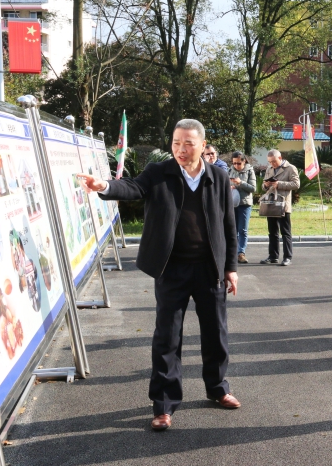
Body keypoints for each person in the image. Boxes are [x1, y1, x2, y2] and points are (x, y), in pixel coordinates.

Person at [78, 119, 240, 432]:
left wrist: (230, 268)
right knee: (167, 337)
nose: (181, 149)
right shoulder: (159, 172)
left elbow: (229, 227)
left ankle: (219, 389)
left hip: (209, 269)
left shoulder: (218, 177)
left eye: (188, 143)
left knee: (216, 333)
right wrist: (104, 186)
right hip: (172, 269)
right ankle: (164, 406)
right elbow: (132, 187)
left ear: (202, 145)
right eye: (176, 142)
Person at [260, 149, 300, 266]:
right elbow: (263, 186)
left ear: (280, 158)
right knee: (272, 232)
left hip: (283, 204)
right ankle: (273, 256)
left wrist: (279, 184)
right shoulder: (269, 169)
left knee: (285, 232)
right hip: (271, 203)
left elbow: (296, 184)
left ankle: (287, 257)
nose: (272, 164)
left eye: (274, 161)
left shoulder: (290, 168)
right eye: (270, 162)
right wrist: (265, 185)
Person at [229, 152, 256, 264]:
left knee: (243, 230)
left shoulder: (250, 171)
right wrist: (229, 186)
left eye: (239, 163)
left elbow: (253, 188)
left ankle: (241, 253)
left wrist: (241, 183)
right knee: (232, 230)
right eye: (234, 163)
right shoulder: (230, 170)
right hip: (232, 203)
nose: (236, 165)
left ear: (244, 161)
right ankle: (233, 253)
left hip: (245, 204)